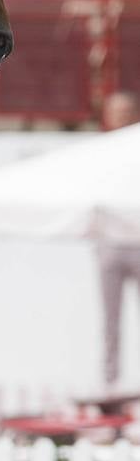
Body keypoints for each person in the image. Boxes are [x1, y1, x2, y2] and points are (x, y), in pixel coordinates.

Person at [96, 91, 140, 388]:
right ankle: (110, 382)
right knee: (110, 320)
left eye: (126, 112)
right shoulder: (99, 151)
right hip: (110, 243)